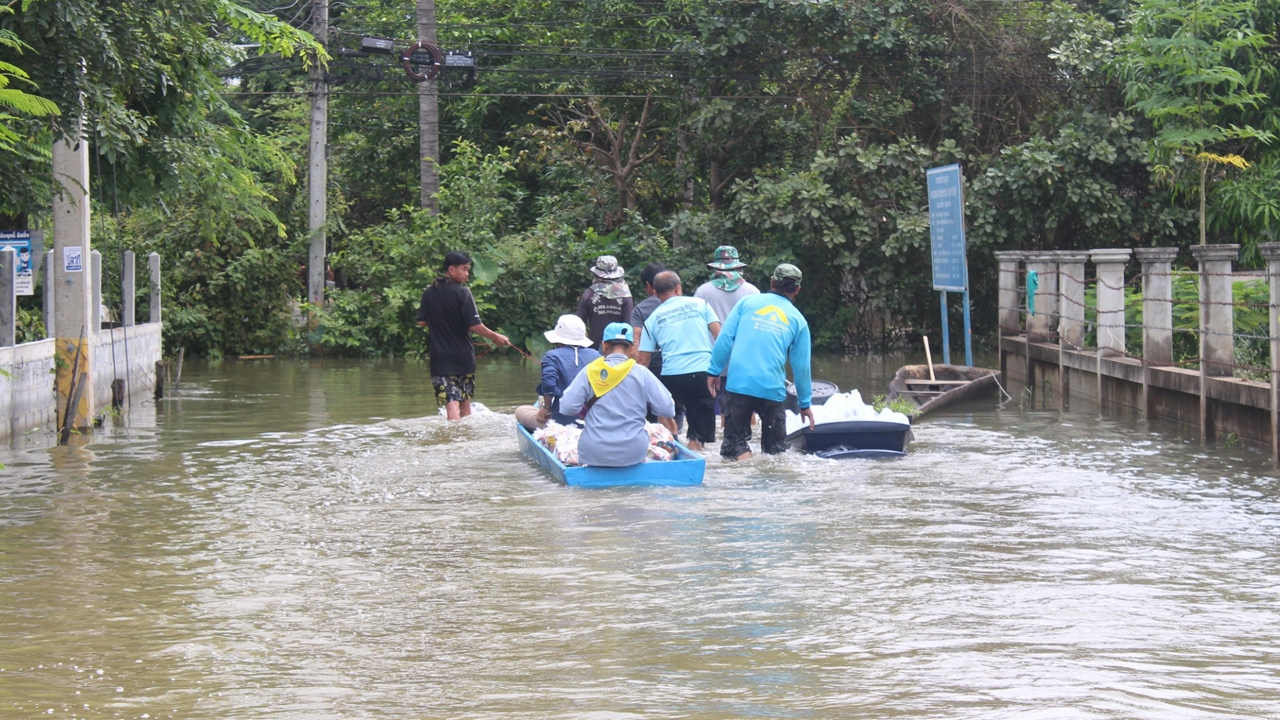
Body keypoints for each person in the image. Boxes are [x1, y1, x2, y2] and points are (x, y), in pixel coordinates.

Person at [707, 263, 816, 460]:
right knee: (774, 453)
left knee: (734, 445)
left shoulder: (746, 303)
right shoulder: (799, 321)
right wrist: (805, 403)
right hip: (772, 389)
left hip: (739, 385)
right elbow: (802, 368)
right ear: (797, 290)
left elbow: (724, 339)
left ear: (772, 282)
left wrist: (714, 371)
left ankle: (744, 466)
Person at [559, 322, 677, 467]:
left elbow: (566, 408)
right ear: (632, 348)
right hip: (633, 453)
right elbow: (667, 409)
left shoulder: (590, 371)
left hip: (594, 452)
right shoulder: (642, 373)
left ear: (604, 346)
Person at [415, 251, 511, 420]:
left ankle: (454, 442)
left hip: (441, 359)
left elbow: (421, 321)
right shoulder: (463, 293)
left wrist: (441, 323)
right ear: (451, 269)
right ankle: (465, 440)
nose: (467, 274)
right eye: (464, 269)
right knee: (465, 402)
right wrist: (495, 337)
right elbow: (475, 325)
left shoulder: (429, 293)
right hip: (463, 356)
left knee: (451, 403)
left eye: (468, 270)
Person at [636, 270, 720, 451]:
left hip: (671, 377)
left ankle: (670, 445)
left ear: (654, 292)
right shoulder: (701, 305)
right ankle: (695, 446)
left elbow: (643, 361)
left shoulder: (651, 320)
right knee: (697, 435)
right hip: (702, 374)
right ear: (678, 288)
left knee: (665, 416)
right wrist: (717, 371)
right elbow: (720, 337)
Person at [515, 314, 601, 430]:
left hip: (560, 423)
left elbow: (549, 385)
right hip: (591, 421)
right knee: (542, 400)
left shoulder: (552, 356)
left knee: (521, 410)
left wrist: (546, 407)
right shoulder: (596, 355)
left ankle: (545, 409)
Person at [576, 255, 633, 349]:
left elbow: (579, 325)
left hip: (594, 350)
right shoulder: (626, 296)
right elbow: (628, 327)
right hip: (619, 350)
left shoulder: (589, 294)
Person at [694, 245, 759, 323]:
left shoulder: (703, 291)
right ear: (738, 267)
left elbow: (696, 321)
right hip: (741, 335)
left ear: (715, 267)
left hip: (712, 335)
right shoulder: (752, 291)